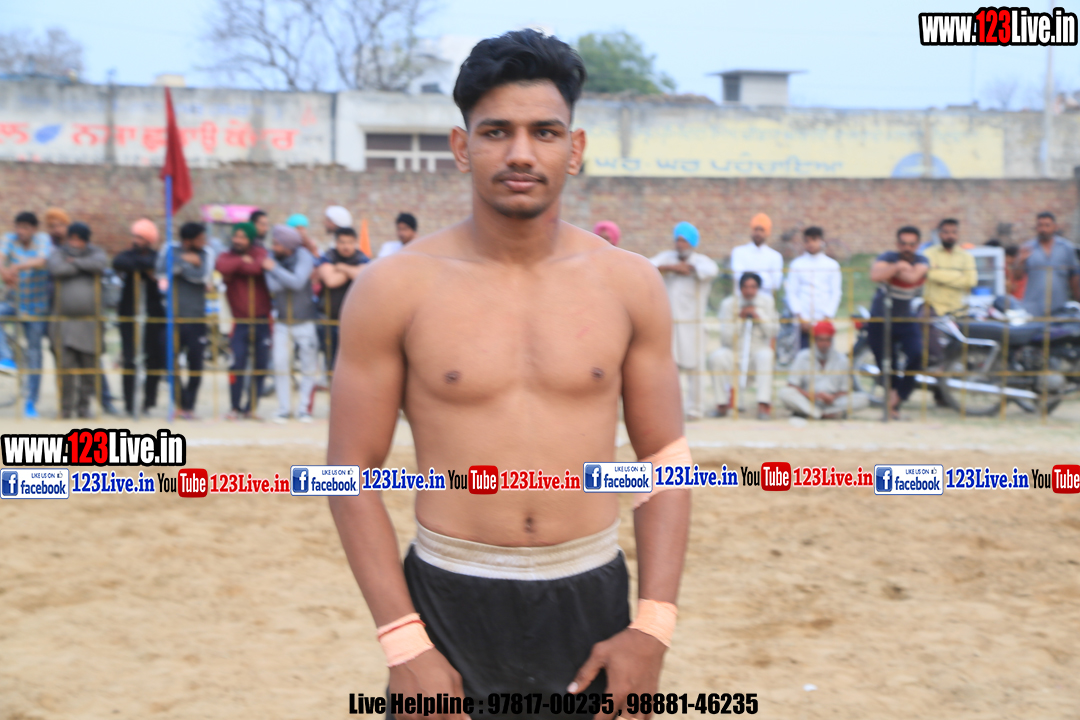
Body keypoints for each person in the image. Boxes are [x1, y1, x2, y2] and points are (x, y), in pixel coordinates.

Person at [327, 30, 690, 720]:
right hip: (448, 597)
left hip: (590, 595)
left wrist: (653, 627)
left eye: (544, 132)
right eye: (496, 131)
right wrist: (404, 644)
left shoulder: (630, 284)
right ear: (461, 147)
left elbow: (664, 461)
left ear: (574, 149)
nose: (521, 153)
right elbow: (349, 473)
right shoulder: (394, 288)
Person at [650, 221, 718, 420]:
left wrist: (688, 268)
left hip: (694, 325)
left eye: (684, 241)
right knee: (669, 368)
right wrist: (671, 268)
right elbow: (646, 265)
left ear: (692, 243)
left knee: (695, 368)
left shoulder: (702, 261)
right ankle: (669, 410)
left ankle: (695, 410)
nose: (680, 244)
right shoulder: (666, 257)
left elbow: (711, 270)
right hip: (669, 323)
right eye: (677, 240)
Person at [47, 222, 108, 419]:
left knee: (89, 369)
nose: (74, 243)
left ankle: (83, 407)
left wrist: (74, 262)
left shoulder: (96, 253)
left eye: (79, 240)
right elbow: (57, 269)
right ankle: (65, 408)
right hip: (63, 322)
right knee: (64, 368)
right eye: (71, 239)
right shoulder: (58, 253)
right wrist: (82, 266)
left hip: (90, 323)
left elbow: (99, 264)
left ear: (86, 241)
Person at [868, 226, 929, 420]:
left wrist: (892, 270)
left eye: (911, 244)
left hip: (905, 317)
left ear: (917, 245)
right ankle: (892, 406)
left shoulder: (922, 260)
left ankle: (897, 397)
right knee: (887, 362)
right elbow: (875, 275)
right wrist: (897, 267)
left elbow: (912, 277)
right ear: (897, 244)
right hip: (881, 317)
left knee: (917, 354)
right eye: (903, 244)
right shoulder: (889, 256)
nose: (907, 248)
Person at [216, 222, 272, 420]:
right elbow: (221, 266)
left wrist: (240, 266)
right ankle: (234, 407)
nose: (238, 240)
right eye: (236, 236)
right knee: (236, 364)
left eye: (242, 237)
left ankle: (251, 408)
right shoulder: (226, 255)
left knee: (261, 365)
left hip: (262, 321)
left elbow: (257, 268)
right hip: (239, 321)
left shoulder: (260, 252)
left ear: (250, 239)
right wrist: (242, 261)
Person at [0, 212, 53, 417]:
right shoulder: (9, 239)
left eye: (25, 228)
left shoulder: (43, 240)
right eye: (18, 227)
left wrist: (16, 266)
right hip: (15, 301)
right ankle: (7, 357)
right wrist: (4, 271)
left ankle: (31, 402)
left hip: (36, 307)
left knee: (34, 354)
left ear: (33, 229)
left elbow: (41, 260)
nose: (20, 231)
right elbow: (1, 255)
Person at [264, 224, 318, 422]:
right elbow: (273, 286)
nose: (274, 247)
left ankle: (304, 409)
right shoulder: (271, 257)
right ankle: (284, 409)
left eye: (277, 243)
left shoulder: (303, 255)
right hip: (282, 322)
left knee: (308, 366)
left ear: (287, 245)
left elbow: (298, 283)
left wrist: (275, 269)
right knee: (280, 365)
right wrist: (287, 275)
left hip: (305, 320)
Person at [113, 218, 166, 417]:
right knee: (130, 359)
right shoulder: (127, 255)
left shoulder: (157, 257)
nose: (136, 241)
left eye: (141, 238)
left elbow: (157, 265)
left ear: (149, 240)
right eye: (135, 236)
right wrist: (144, 268)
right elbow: (119, 262)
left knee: (154, 359)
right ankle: (129, 403)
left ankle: (148, 402)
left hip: (153, 314)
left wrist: (142, 266)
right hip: (129, 313)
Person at [707, 272, 779, 420]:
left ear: (758, 288)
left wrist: (759, 316)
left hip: (757, 350)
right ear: (740, 288)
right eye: (745, 287)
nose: (749, 291)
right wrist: (740, 318)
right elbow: (726, 338)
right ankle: (722, 404)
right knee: (717, 357)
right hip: (734, 350)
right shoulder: (728, 304)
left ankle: (763, 404)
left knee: (766, 355)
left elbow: (773, 331)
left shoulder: (767, 302)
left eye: (753, 287)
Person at [159, 222, 211, 419]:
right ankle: (179, 404)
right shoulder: (170, 250)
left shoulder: (206, 254)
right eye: (200, 239)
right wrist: (185, 262)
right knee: (170, 362)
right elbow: (161, 272)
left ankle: (190, 406)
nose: (204, 242)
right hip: (173, 317)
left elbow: (202, 276)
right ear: (188, 241)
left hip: (197, 318)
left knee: (196, 364)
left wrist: (182, 268)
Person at [777, 320, 869, 419]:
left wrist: (832, 397)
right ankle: (820, 414)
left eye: (827, 340)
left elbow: (845, 390)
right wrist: (811, 396)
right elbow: (792, 385)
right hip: (807, 400)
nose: (824, 344)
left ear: (832, 341)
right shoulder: (802, 357)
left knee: (863, 398)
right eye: (821, 340)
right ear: (814, 340)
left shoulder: (842, 360)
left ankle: (813, 413)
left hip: (832, 402)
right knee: (785, 393)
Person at [315, 227, 368, 370]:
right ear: (336, 242)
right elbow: (331, 281)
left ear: (355, 242)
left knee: (352, 366)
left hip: (354, 322)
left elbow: (362, 276)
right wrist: (353, 271)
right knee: (331, 364)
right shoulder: (328, 256)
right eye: (342, 242)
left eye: (350, 242)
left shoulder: (362, 257)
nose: (346, 246)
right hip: (329, 320)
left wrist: (342, 267)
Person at [784, 226, 841, 348]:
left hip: (824, 319)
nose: (811, 244)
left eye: (814, 240)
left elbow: (835, 293)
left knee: (824, 356)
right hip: (802, 321)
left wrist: (826, 317)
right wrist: (800, 318)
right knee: (802, 356)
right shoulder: (797, 264)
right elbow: (791, 292)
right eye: (807, 241)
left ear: (821, 241)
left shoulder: (832, 265)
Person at [1015, 211, 1080, 318]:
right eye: (1040, 225)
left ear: (1055, 227)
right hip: (1033, 308)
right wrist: (1021, 260)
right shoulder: (1028, 248)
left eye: (1047, 225)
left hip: (1059, 307)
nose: (1043, 229)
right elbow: (1017, 276)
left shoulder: (1066, 248)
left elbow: (1074, 276)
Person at [923, 219, 977, 316]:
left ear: (958, 234)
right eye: (946, 232)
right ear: (939, 234)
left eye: (954, 232)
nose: (950, 236)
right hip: (933, 310)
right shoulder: (929, 253)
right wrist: (959, 275)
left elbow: (971, 281)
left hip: (958, 311)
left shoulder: (966, 256)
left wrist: (939, 275)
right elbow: (930, 274)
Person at [730, 212, 783, 295]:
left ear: (767, 232)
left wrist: (750, 280)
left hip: (764, 299)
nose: (758, 233)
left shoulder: (775, 256)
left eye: (762, 230)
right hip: (742, 299)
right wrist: (764, 278)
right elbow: (738, 277)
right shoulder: (738, 252)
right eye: (756, 229)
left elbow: (776, 284)